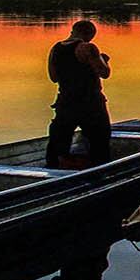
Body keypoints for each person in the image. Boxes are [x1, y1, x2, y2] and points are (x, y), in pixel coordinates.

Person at [45, 19, 112, 168]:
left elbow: (53, 77)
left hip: (65, 102)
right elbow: (104, 72)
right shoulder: (87, 48)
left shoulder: (55, 49)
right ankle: (100, 171)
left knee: (58, 141)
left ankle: (53, 171)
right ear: (89, 33)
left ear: (73, 31)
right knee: (100, 140)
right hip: (90, 104)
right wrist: (104, 59)